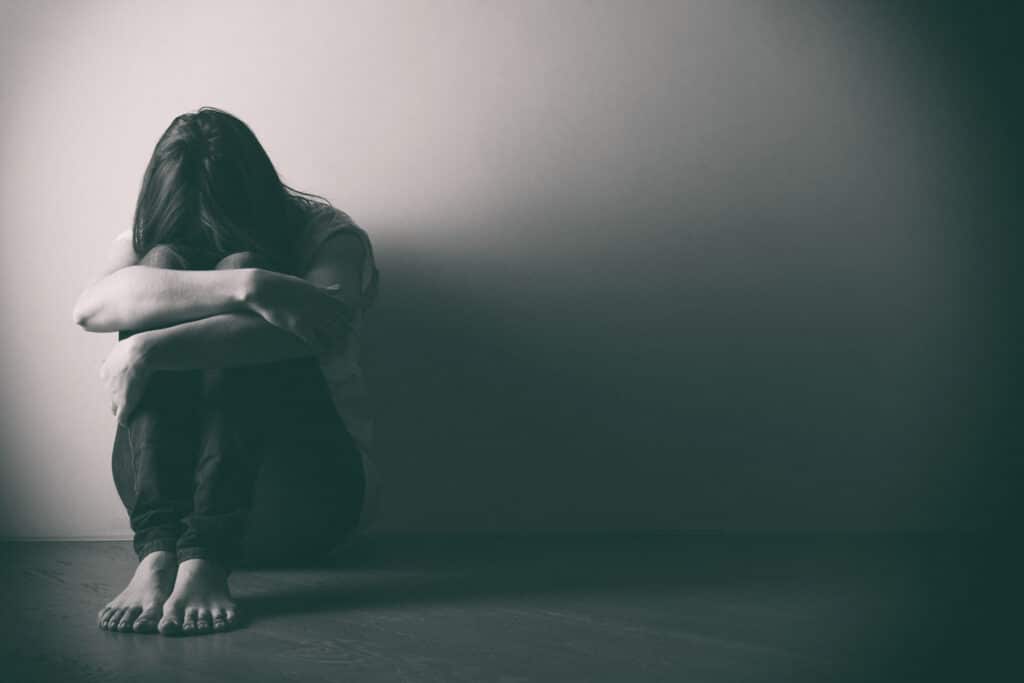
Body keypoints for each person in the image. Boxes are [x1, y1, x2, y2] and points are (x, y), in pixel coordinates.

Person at [72, 107, 381, 636]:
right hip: (162, 515)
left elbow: (322, 327)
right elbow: (90, 310)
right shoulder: (152, 234)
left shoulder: (330, 239)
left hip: (300, 502)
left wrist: (150, 348)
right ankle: (158, 557)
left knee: (231, 268)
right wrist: (252, 289)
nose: (203, 234)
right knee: (161, 266)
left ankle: (208, 555)